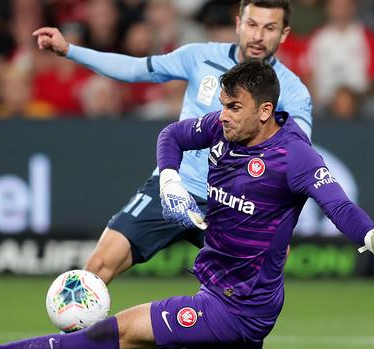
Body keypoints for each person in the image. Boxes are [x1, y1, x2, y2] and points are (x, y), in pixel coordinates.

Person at [0, 59, 374, 349]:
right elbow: (174, 136)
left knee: (107, 335)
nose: (222, 115)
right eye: (222, 104)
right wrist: (169, 177)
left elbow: (337, 203)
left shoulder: (295, 157)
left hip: (233, 307)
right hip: (246, 299)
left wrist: (369, 237)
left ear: (265, 111)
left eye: (234, 107)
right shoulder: (225, 129)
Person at [31, 0, 313, 285]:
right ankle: (72, 330)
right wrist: (70, 50)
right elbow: (134, 68)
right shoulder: (200, 57)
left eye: (269, 28)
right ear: (239, 24)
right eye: (252, 25)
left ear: (284, 34)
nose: (258, 36)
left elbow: (297, 159)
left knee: (247, 292)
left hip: (234, 204)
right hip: (175, 187)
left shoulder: (291, 92)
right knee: (97, 267)